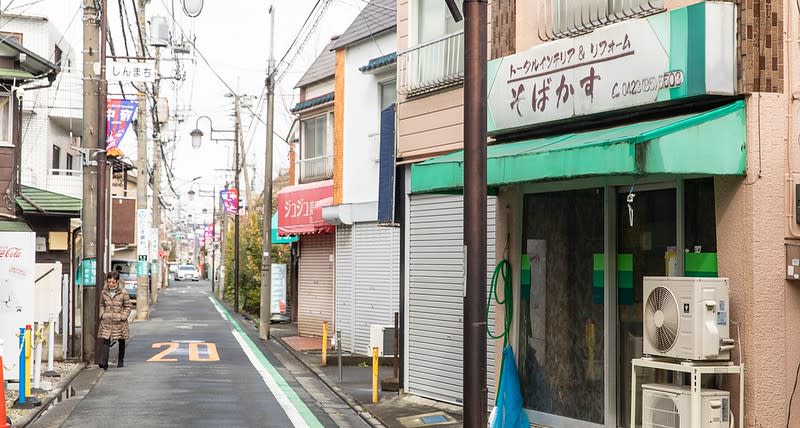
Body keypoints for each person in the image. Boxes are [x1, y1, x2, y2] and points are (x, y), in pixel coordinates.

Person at [97, 270, 132, 369]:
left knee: (121, 339)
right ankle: (104, 362)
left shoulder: (123, 292)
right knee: (106, 340)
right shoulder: (104, 292)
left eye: (113, 282)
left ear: (117, 281)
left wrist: (123, 316)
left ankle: (120, 360)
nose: (111, 284)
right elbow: (101, 305)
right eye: (109, 282)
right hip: (107, 320)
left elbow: (128, 306)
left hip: (119, 320)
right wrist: (102, 314)